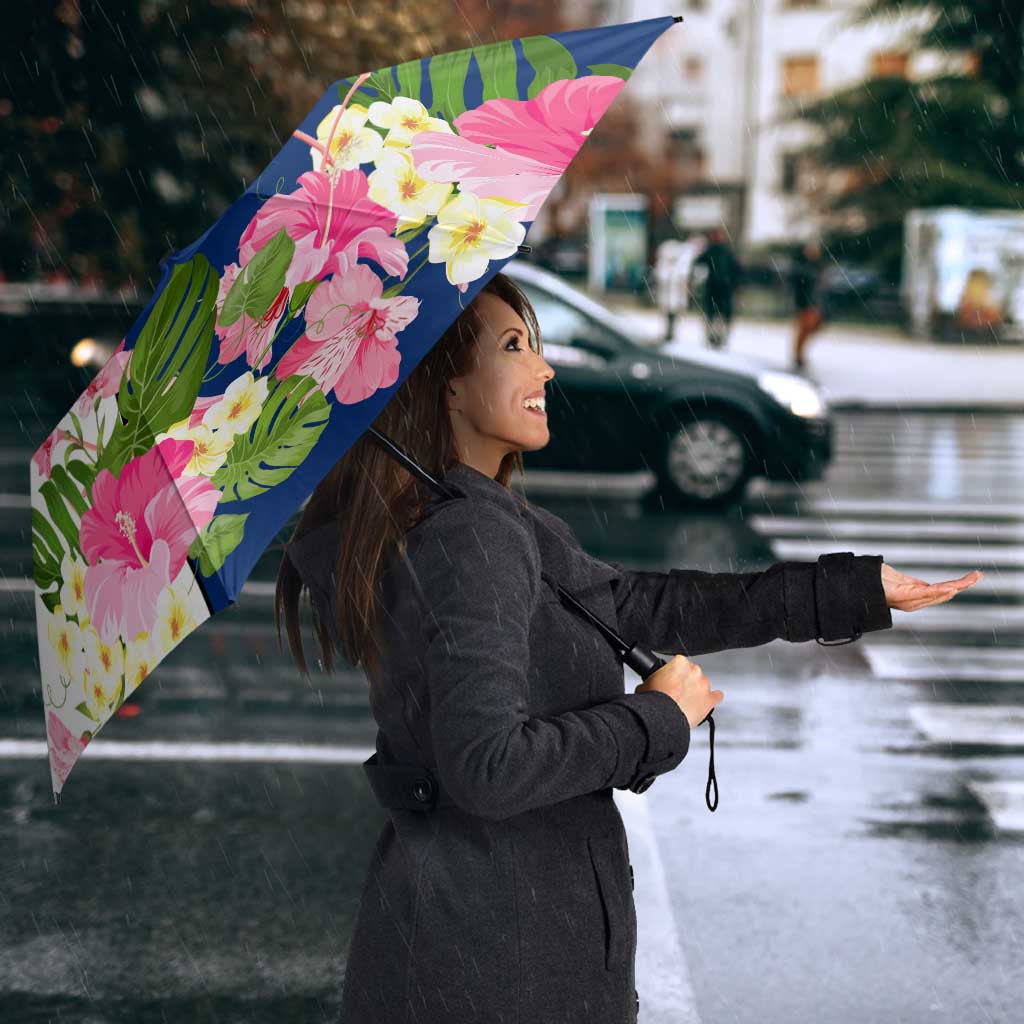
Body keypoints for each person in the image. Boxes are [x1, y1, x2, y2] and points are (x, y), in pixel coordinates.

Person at [276, 272, 981, 1024]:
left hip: (480, 943)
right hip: (496, 962)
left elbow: (644, 605)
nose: (544, 368)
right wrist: (655, 719)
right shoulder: (469, 537)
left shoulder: (480, 520)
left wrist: (849, 590)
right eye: (514, 347)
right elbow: (487, 767)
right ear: (446, 388)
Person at [692, 226, 742, 349]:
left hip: (723, 288)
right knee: (713, 314)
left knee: (720, 315)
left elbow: (736, 270)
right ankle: (713, 337)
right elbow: (698, 264)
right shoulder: (712, 251)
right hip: (715, 288)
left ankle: (719, 337)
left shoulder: (725, 252)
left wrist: (735, 284)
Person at [790, 239, 826, 371]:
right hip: (805, 303)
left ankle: (800, 354)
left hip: (814, 303)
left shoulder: (817, 266)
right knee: (804, 329)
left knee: (812, 328)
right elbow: (799, 286)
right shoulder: (802, 267)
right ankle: (798, 355)